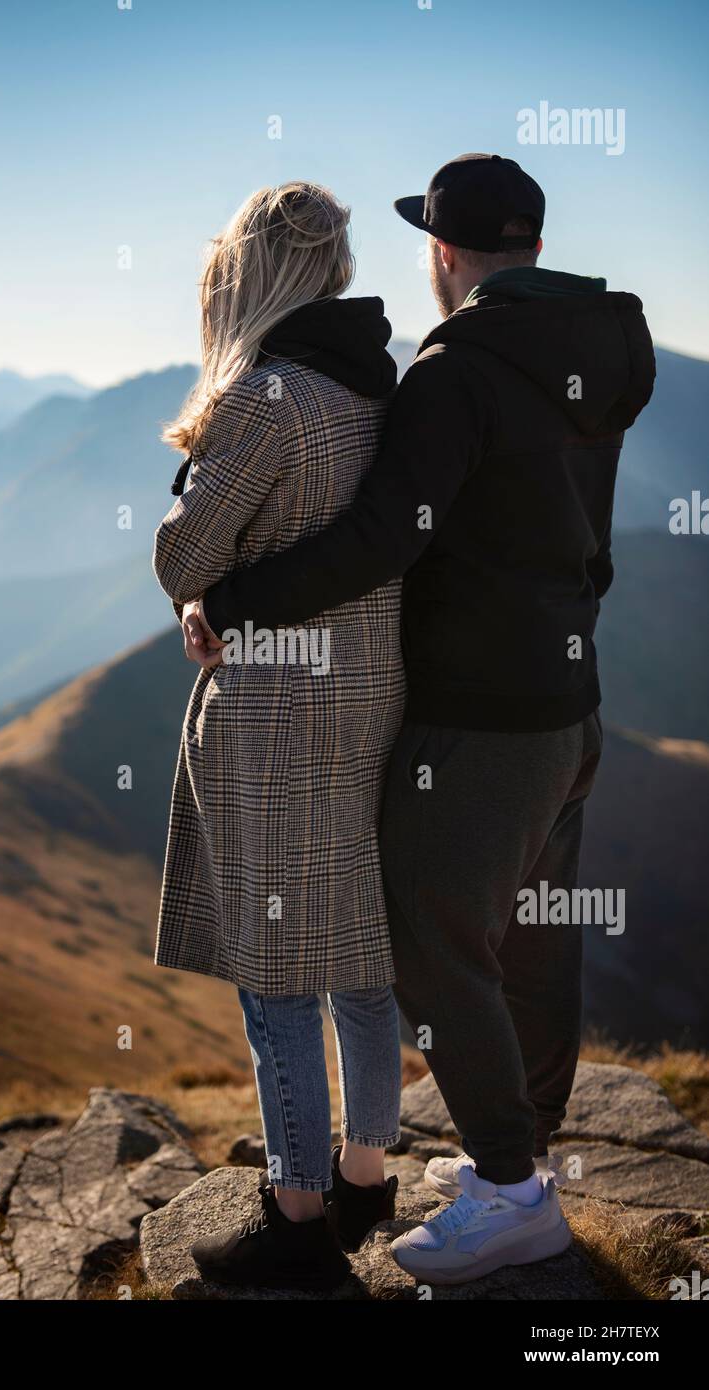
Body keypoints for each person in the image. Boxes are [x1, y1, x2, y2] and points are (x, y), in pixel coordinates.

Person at [183, 154, 656, 1284]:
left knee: (430, 945)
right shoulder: (600, 344)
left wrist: (235, 604)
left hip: (478, 719)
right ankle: (520, 1158)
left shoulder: (455, 367)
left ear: (442, 255)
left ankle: (509, 1190)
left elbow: (383, 537)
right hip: (570, 699)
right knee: (532, 941)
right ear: (531, 244)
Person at [152, 182, 407, 1290]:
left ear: (245, 279)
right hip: (366, 699)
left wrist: (193, 472)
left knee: (273, 970)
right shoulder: (378, 386)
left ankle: (296, 1209)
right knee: (355, 944)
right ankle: (364, 1172)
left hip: (270, 716)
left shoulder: (263, 399)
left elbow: (180, 557)